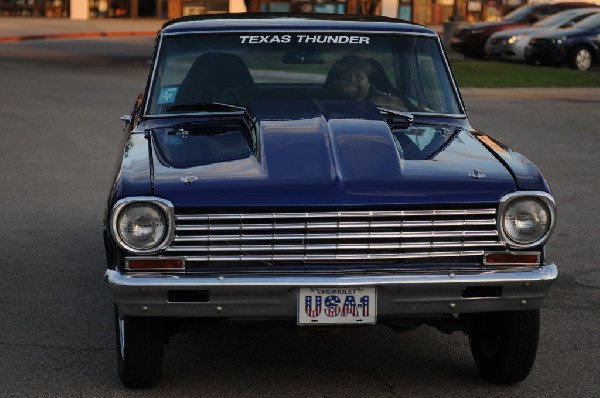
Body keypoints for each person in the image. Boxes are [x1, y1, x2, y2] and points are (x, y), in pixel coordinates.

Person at [323, 54, 410, 111]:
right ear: (338, 81)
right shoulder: (321, 104)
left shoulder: (389, 104)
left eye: (358, 76)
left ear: (369, 82)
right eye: (346, 75)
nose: (352, 79)